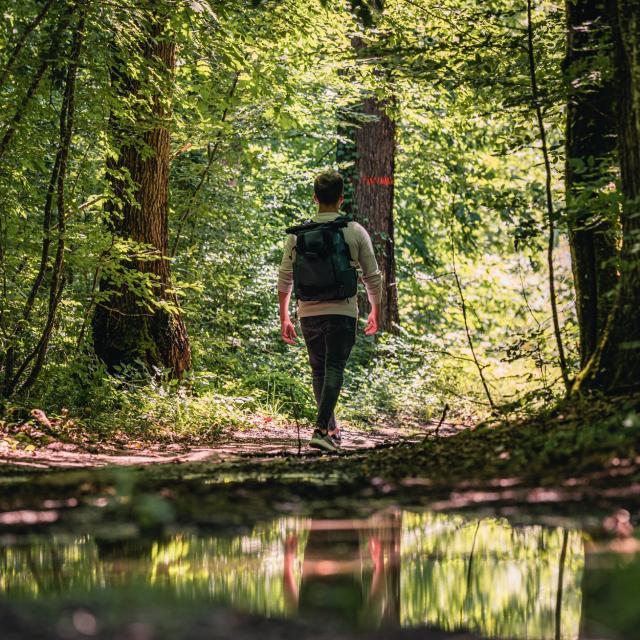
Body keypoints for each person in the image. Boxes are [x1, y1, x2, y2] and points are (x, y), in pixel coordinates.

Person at [277, 171, 382, 452]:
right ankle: (321, 429)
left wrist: (285, 316)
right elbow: (372, 276)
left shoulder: (298, 235)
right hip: (342, 310)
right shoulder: (354, 230)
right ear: (341, 199)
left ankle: (330, 429)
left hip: (308, 311)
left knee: (318, 371)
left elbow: (285, 277)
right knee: (334, 366)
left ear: (315, 198)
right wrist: (375, 309)